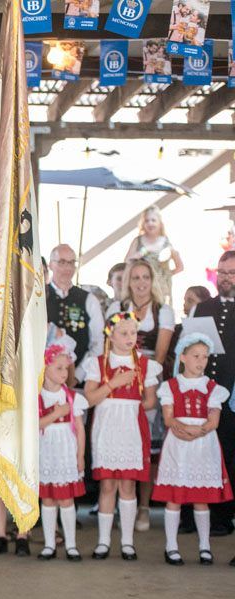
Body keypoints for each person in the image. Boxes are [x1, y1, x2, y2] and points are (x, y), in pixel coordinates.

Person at [82, 311, 162, 561]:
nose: (130, 338)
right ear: (111, 335)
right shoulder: (98, 363)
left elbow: (150, 402)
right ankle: (103, 541)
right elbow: (89, 399)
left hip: (131, 426)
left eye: (133, 333)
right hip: (106, 425)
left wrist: (131, 402)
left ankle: (127, 542)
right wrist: (114, 384)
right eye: (124, 333)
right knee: (107, 485)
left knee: (128, 484)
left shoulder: (145, 364)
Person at [107, 258, 176, 531]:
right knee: (117, 443)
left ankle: (143, 507)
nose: (140, 283)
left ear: (152, 280)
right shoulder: (117, 308)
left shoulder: (163, 311)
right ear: (128, 282)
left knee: (145, 446)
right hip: (118, 378)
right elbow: (107, 347)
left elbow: (159, 354)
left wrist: (140, 378)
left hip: (148, 378)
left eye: (145, 277)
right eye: (135, 278)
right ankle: (117, 504)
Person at [155, 335, 232, 565]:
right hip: (177, 446)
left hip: (202, 444)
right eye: (196, 356)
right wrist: (183, 428)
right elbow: (168, 418)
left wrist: (197, 431)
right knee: (174, 496)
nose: (201, 361)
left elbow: (214, 420)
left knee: (201, 498)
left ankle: (204, 546)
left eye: (205, 357)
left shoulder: (213, 388)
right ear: (183, 357)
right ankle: (171, 546)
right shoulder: (170, 386)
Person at [188, 251, 235, 536]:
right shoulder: (203, 308)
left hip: (233, 397)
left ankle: (225, 515)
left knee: (230, 456)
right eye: (222, 271)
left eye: (231, 272)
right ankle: (204, 515)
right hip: (205, 394)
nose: (226, 277)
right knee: (204, 454)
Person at [37, 344, 87, 561]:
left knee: (66, 499)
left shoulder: (73, 398)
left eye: (66, 369)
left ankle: (71, 545)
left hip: (66, 453)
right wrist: (56, 414)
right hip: (45, 453)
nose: (64, 373)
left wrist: (80, 456)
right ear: (45, 367)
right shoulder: (36, 397)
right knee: (47, 499)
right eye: (59, 368)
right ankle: (49, 544)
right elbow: (34, 424)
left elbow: (80, 429)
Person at [47, 244, 105, 382]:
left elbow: (98, 342)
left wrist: (78, 376)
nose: (67, 268)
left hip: (79, 381)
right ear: (50, 265)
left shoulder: (88, 299)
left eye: (72, 263)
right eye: (61, 262)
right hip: (42, 380)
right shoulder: (38, 297)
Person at [125, 206, 183, 305]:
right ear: (143, 223)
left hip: (162, 289)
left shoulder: (165, 242)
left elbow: (180, 267)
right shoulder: (138, 241)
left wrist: (165, 275)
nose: (150, 223)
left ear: (160, 223)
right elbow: (127, 261)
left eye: (153, 220)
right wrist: (144, 251)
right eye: (147, 221)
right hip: (143, 287)